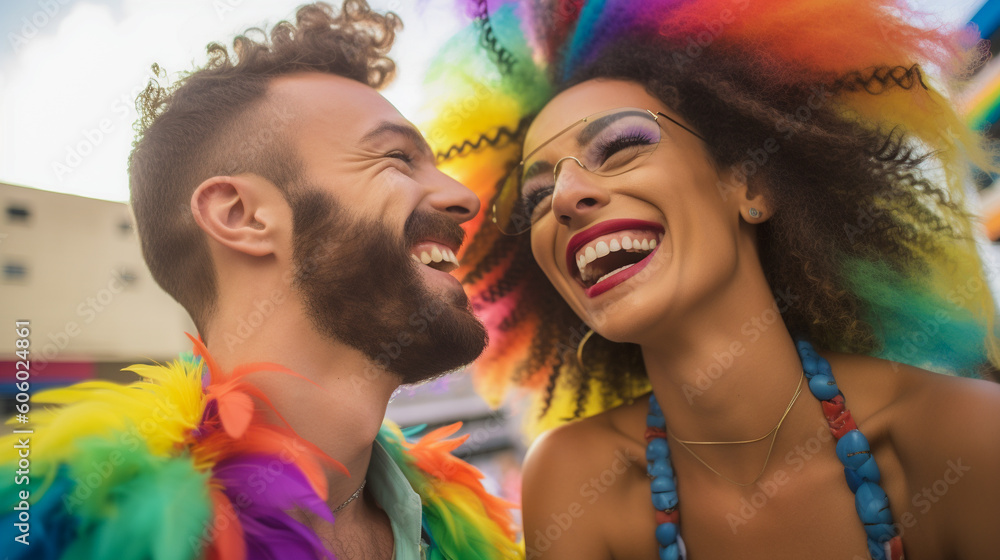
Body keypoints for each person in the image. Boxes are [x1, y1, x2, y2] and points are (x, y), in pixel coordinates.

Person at [421, 0, 1000, 558]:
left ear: (752, 187)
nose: (567, 197)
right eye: (537, 196)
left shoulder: (962, 437)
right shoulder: (571, 479)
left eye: (620, 147)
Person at [0, 2, 522, 559]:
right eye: (397, 159)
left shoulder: (466, 534)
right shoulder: (61, 534)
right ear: (241, 216)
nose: (464, 198)